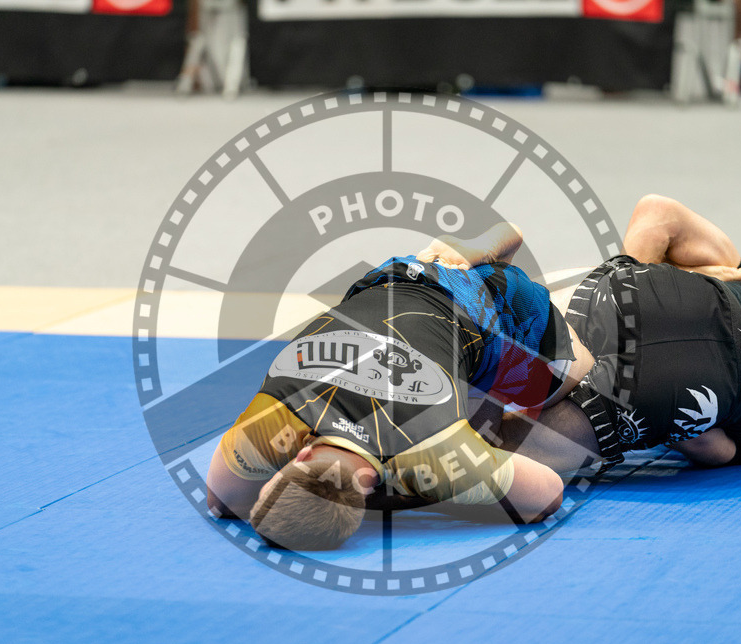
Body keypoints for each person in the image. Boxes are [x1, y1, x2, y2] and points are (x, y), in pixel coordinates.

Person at [206, 222, 596, 551]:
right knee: (473, 407)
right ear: (300, 458)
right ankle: (458, 261)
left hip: (491, 305)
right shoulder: (274, 420)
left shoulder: (435, 458)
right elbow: (222, 498)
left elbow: (546, 496)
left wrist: (420, 493)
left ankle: (520, 290)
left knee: (577, 374)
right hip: (392, 277)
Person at [429, 194, 741, 475]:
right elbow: (715, 449)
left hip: (636, 296)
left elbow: (657, 210)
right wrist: (674, 422)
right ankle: (456, 424)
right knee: (486, 456)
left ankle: (484, 310)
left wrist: (667, 277)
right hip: (664, 387)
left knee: (527, 320)